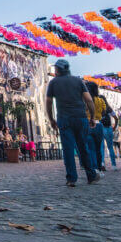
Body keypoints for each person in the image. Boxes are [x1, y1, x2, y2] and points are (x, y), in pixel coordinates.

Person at [45, 59, 98, 187]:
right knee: (83, 148)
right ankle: (90, 175)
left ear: (57, 70)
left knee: (68, 149)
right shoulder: (78, 81)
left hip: (64, 119)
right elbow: (89, 100)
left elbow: (48, 102)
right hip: (80, 118)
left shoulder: (53, 83)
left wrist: (52, 119)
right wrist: (92, 117)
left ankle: (71, 179)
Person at [83, 81, 106, 174]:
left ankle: (94, 169)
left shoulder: (84, 100)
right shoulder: (100, 100)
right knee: (98, 149)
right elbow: (104, 112)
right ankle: (99, 168)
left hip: (88, 125)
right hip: (98, 125)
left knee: (90, 149)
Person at [99, 96, 118, 169]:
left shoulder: (98, 109)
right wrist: (114, 127)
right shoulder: (109, 109)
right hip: (109, 128)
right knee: (110, 147)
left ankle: (102, 163)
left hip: (101, 128)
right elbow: (116, 118)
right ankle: (114, 165)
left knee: (101, 147)